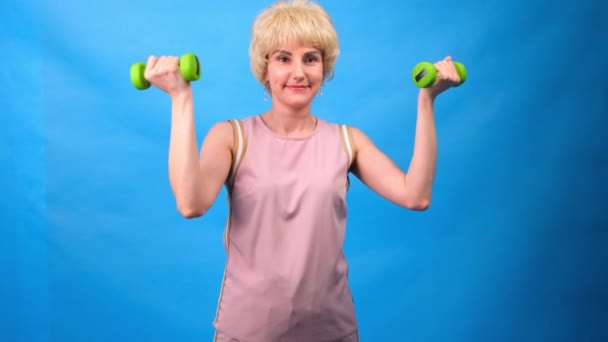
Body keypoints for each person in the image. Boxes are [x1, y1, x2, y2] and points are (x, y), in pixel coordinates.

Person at [143, 0, 461, 340]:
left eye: (310, 58)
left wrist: (427, 101)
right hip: (248, 331)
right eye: (283, 58)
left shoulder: (347, 140)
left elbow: (416, 195)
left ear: (324, 68)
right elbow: (191, 203)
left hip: (331, 331)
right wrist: (181, 99)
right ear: (265, 68)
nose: (299, 72)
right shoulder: (231, 136)